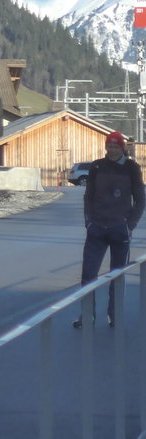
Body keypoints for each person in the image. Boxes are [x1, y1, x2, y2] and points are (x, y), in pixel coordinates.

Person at [74, 131, 144, 327]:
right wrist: (88, 222)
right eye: (109, 146)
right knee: (88, 275)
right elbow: (88, 197)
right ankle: (87, 316)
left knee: (117, 276)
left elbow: (140, 200)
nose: (112, 150)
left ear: (122, 148)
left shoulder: (132, 168)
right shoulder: (97, 166)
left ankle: (114, 316)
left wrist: (130, 225)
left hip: (120, 229)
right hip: (96, 229)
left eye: (116, 146)